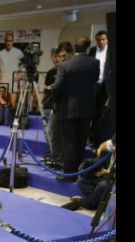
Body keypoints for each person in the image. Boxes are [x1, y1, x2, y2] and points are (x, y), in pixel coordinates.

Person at [49, 36, 99, 180]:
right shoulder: (95, 63)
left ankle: (68, 173)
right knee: (81, 142)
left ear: (75, 48)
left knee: (69, 142)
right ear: (88, 48)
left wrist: (55, 102)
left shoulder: (65, 65)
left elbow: (57, 87)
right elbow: (96, 83)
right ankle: (77, 172)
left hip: (67, 109)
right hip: (87, 109)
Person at [61, 134, 116, 211]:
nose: (114, 147)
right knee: (81, 181)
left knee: (102, 186)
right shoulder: (114, 143)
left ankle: (90, 204)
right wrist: (99, 151)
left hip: (113, 178)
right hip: (106, 175)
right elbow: (104, 145)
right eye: (114, 145)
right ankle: (98, 202)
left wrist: (107, 172)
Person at [88, 30, 109, 146]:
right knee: (90, 110)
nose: (101, 42)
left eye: (103, 39)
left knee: (100, 112)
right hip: (93, 85)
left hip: (105, 86)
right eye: (98, 40)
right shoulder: (92, 51)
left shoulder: (111, 51)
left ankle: (94, 136)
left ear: (107, 40)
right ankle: (87, 134)